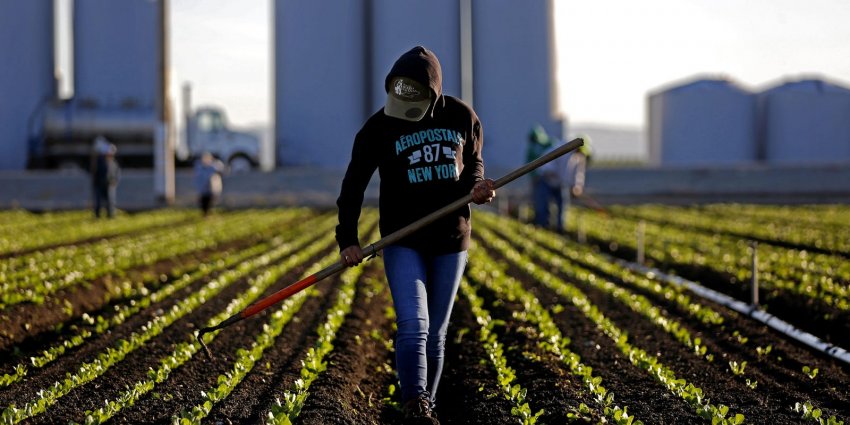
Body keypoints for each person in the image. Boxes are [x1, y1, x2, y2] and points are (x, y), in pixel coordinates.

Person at [335, 46, 495, 423]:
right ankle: (414, 403)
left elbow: (474, 163)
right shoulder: (378, 127)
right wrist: (348, 240)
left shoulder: (461, 116)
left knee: (436, 333)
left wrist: (476, 188)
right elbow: (353, 185)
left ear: (433, 93)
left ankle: (426, 408)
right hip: (402, 239)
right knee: (413, 324)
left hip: (452, 239)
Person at [91, 138, 120, 219]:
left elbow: (116, 173)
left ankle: (110, 215)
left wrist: (115, 180)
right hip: (99, 184)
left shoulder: (113, 162)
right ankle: (97, 216)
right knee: (98, 201)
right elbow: (95, 173)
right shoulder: (100, 162)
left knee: (110, 201)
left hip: (109, 184)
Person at [193, 152, 225, 216]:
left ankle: (208, 212)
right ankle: (205, 213)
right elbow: (197, 178)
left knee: (210, 201)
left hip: (210, 189)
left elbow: (221, 167)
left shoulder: (212, 167)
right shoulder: (199, 167)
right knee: (203, 202)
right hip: (203, 189)